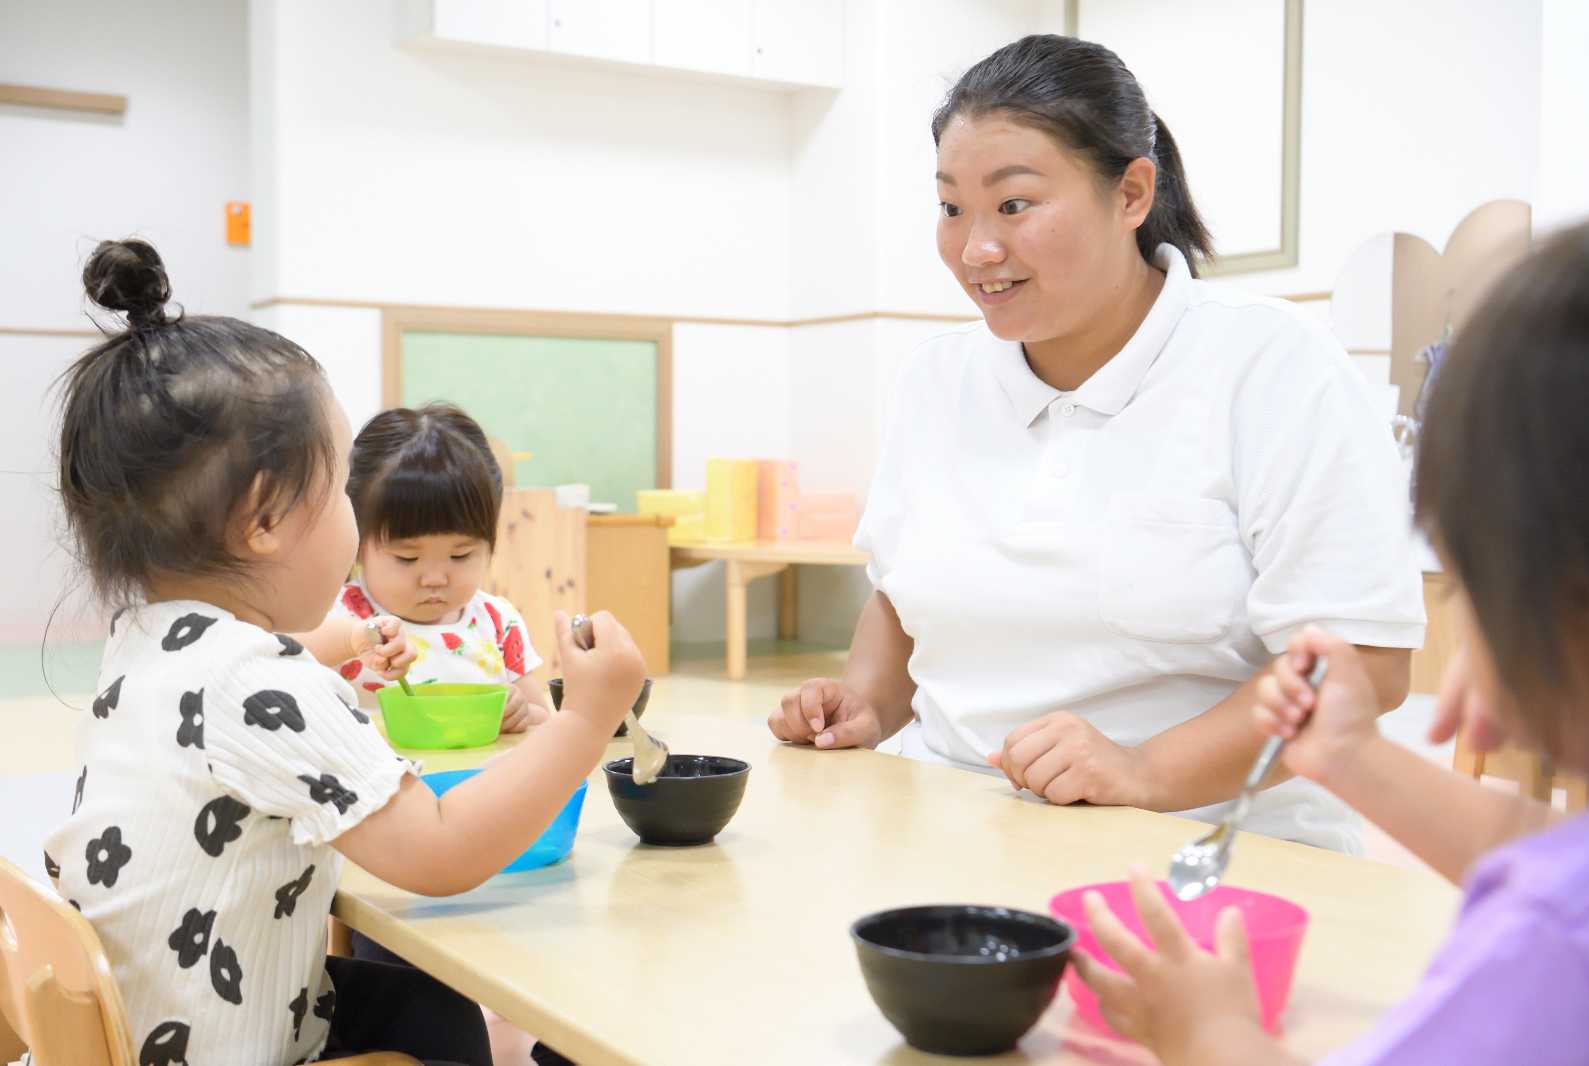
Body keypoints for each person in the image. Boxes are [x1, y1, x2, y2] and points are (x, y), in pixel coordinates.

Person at [770, 35, 1421, 852]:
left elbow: (1362, 665)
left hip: (1213, 849)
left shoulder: (1272, 363)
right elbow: (903, 601)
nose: (976, 249)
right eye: (951, 208)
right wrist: (866, 703)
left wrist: (1143, 770)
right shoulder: (935, 377)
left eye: (1014, 205)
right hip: (957, 832)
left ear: (1132, 194)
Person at [44, 238, 645, 1066]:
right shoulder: (263, 683)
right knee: (439, 1015)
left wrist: (352, 639)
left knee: (428, 1008)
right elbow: (440, 851)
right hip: (222, 1048)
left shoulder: (148, 642)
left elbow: (278, 657)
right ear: (265, 519)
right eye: (337, 493)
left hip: (146, 1016)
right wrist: (587, 722)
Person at [1071, 218, 1589, 1066]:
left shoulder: (1550, 946)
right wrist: (1352, 756)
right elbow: (1567, 863)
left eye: (1470, 579)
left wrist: (1211, 1035)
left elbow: (1566, 902)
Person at [300, 402, 550, 733]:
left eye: (460, 555)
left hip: (477, 767)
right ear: (358, 541)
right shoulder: (338, 613)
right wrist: (351, 639)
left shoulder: (497, 621)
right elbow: (284, 650)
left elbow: (542, 715)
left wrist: (522, 713)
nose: (435, 579)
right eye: (407, 558)